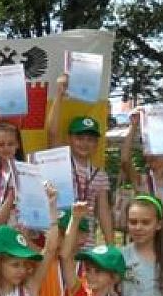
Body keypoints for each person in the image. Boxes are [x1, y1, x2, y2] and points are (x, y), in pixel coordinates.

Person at [45, 74, 113, 246]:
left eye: (90, 139)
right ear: (69, 139)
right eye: (80, 137)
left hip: (86, 244)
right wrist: (59, 95)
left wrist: (110, 244)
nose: (85, 143)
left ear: (97, 143)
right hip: (59, 239)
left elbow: (103, 211)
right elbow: (52, 132)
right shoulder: (61, 162)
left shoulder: (100, 175)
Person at [121, 110, 163, 248]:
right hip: (145, 236)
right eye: (150, 150)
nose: (152, 154)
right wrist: (133, 126)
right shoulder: (141, 180)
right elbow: (124, 161)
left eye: (158, 151)